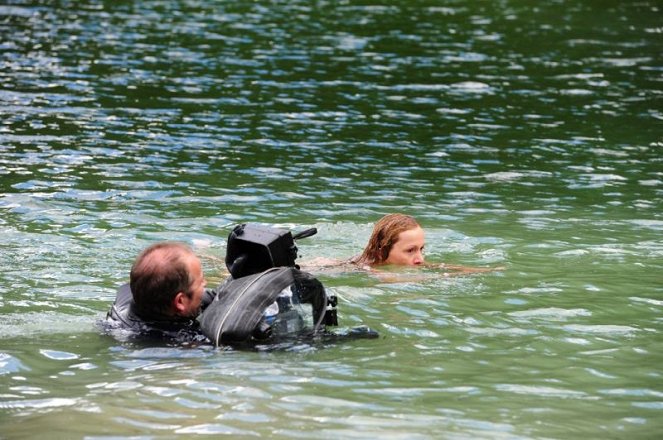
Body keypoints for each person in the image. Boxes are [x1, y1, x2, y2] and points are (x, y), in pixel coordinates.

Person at [303, 213, 501, 276]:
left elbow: (437, 267)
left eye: (421, 249)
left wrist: (482, 270)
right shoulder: (371, 270)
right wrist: (447, 277)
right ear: (383, 250)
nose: (420, 259)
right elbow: (397, 280)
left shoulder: (410, 262)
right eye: (410, 250)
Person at [105, 241, 217, 340]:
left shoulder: (124, 298)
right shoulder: (184, 342)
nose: (205, 283)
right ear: (180, 301)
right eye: (201, 282)